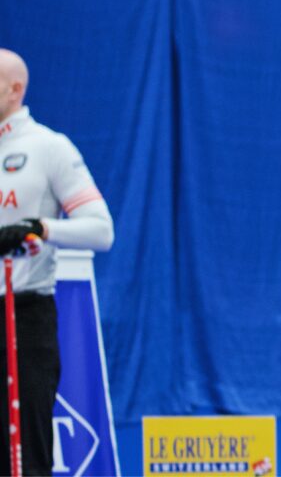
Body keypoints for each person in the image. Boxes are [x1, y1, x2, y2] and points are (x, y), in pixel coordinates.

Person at [0, 49, 115, 476]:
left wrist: (41, 228)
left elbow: (101, 230)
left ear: (15, 89)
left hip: (22, 315)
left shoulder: (47, 147)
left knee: (25, 452)